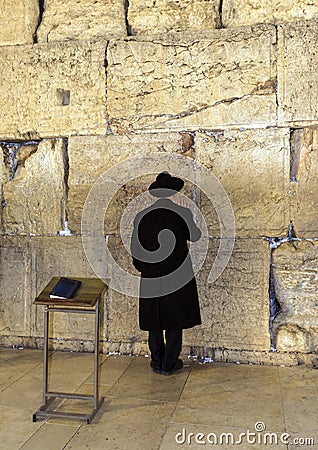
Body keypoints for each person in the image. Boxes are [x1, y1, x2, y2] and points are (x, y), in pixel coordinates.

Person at [131, 171, 201, 375]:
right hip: (178, 274)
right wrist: (190, 216)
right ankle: (169, 362)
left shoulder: (141, 216)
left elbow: (136, 249)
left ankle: (157, 360)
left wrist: (144, 268)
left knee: (154, 317)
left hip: (151, 274)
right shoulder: (182, 212)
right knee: (175, 317)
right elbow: (195, 236)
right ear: (173, 193)